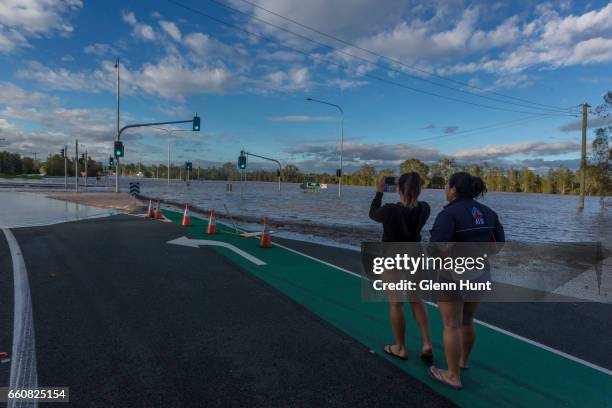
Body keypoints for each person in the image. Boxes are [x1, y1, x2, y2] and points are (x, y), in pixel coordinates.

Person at [427, 172, 505, 390]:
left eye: (446, 185)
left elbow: (435, 248)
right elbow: (499, 244)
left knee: (451, 325)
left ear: (453, 189)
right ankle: (462, 362)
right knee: (467, 321)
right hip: (480, 273)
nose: (445, 190)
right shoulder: (489, 213)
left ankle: (452, 375)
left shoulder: (449, 214)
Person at [369, 172, 433, 363]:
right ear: (419, 189)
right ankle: (427, 343)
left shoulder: (389, 210)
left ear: (398, 188)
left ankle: (400, 348)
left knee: (396, 304)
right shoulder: (425, 209)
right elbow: (411, 204)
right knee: (416, 300)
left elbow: (373, 213)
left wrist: (379, 192)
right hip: (415, 256)